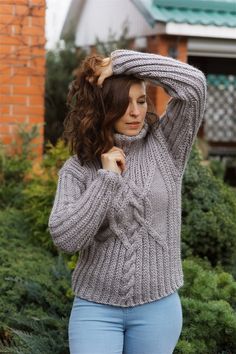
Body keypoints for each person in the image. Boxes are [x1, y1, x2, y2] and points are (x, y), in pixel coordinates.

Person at [48, 49, 207, 354]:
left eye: (141, 100)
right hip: (96, 310)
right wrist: (106, 181)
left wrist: (120, 62)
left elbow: (194, 83)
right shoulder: (79, 168)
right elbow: (66, 238)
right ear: (104, 108)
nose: (135, 112)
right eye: (124, 103)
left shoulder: (167, 145)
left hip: (158, 308)